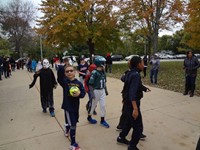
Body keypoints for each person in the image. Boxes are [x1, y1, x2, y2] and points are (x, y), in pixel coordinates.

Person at [117, 56, 150, 150]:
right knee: (138, 127)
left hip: (127, 102)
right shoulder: (135, 75)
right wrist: (135, 108)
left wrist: (144, 88)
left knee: (128, 122)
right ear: (139, 64)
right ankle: (132, 146)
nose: (144, 65)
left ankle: (121, 137)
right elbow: (132, 93)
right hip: (132, 104)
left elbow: (129, 85)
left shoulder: (130, 73)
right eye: (143, 63)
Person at [59, 65, 85, 150]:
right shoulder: (65, 82)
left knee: (73, 120)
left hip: (75, 107)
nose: (69, 72)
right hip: (68, 107)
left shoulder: (79, 83)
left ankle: (67, 128)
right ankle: (73, 144)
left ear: (75, 72)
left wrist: (79, 94)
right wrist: (60, 67)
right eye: (67, 71)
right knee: (73, 124)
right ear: (65, 74)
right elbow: (59, 78)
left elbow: (83, 94)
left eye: (71, 70)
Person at [87, 56, 110, 128]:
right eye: (104, 63)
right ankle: (89, 117)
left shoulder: (103, 72)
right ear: (100, 64)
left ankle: (102, 120)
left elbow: (104, 82)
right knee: (93, 105)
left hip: (102, 90)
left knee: (103, 106)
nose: (105, 64)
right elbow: (90, 84)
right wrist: (92, 94)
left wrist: (106, 90)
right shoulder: (94, 73)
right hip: (96, 91)